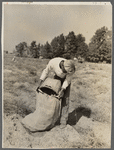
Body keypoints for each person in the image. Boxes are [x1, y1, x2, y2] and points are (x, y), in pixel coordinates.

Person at [37, 57, 75, 129]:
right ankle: (50, 119)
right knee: (52, 97)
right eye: (65, 71)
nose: (65, 73)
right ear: (62, 66)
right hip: (57, 77)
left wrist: (62, 90)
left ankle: (63, 121)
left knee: (65, 99)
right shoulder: (53, 62)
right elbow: (46, 71)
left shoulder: (70, 69)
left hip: (66, 81)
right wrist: (40, 84)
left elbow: (68, 80)